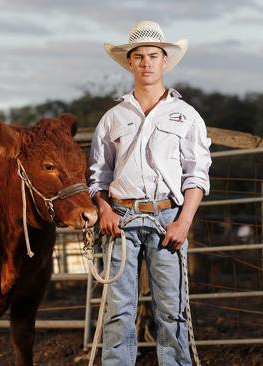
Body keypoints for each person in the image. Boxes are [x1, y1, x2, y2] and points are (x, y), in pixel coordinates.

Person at [88, 20, 211, 366]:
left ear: (164, 60)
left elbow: (196, 175)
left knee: (172, 310)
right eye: (139, 56)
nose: (146, 62)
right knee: (117, 311)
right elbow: (98, 174)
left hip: (168, 217)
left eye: (153, 56)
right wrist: (104, 208)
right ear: (130, 62)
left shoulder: (186, 116)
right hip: (121, 219)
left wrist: (184, 222)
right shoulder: (112, 118)